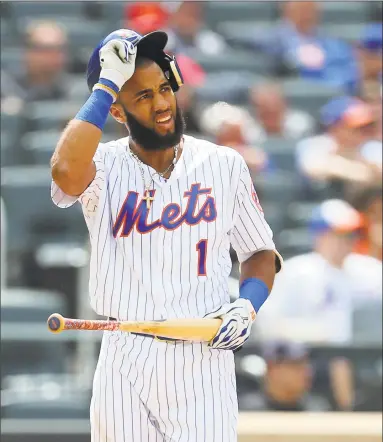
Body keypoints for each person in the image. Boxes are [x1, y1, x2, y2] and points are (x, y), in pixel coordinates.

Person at [50, 29, 282, 442]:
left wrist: (246, 307)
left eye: (164, 88)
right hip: (125, 355)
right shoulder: (101, 166)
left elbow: (260, 253)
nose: (161, 104)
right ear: (117, 112)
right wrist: (106, 86)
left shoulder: (223, 163)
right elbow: (65, 173)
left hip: (203, 357)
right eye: (142, 96)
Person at [256, 199, 382, 346]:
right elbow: (266, 324)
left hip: (362, 359)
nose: (347, 241)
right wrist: (317, 332)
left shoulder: (371, 270)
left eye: (351, 235)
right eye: (339, 235)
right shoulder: (296, 271)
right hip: (309, 357)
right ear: (320, 236)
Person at [296, 96, 382, 200]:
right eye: (356, 127)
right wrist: (356, 171)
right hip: (324, 203)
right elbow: (312, 167)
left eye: (366, 126)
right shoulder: (317, 144)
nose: (363, 131)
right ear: (335, 127)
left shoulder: (370, 147)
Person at [261, 1, 358, 92]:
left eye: (310, 10)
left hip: (327, 88)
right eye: (301, 10)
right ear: (287, 12)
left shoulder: (329, 40)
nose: (306, 15)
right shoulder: (275, 39)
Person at [239, 341, 332, 412]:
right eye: (296, 365)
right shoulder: (247, 411)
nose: (306, 372)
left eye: (307, 365)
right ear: (272, 369)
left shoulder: (318, 410)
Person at [3, 20, 69, 102]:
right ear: (28, 52)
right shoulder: (5, 87)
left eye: (60, 49)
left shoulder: (73, 90)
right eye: (47, 49)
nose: (54, 55)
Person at [247, 81, 315, 143]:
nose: (270, 110)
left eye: (274, 106)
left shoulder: (300, 124)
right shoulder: (248, 130)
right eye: (264, 110)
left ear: (283, 105)